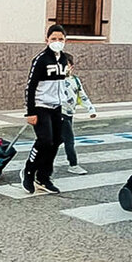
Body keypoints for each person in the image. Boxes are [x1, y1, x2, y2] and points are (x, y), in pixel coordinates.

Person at [21, 24, 68, 194]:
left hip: (57, 106)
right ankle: (28, 171)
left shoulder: (63, 59)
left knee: (57, 141)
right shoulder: (41, 59)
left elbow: (62, 84)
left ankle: (43, 177)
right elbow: (30, 86)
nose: (57, 42)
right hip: (41, 106)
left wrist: (65, 103)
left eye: (60, 39)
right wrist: (31, 111)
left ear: (65, 40)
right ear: (46, 40)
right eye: (53, 39)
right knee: (45, 140)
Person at [61, 54, 97, 175]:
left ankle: (40, 164)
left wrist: (91, 109)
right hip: (59, 113)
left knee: (56, 141)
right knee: (69, 140)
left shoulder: (75, 80)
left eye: (66, 64)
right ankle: (73, 164)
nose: (63, 67)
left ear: (71, 66)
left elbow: (82, 95)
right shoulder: (56, 80)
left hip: (70, 113)